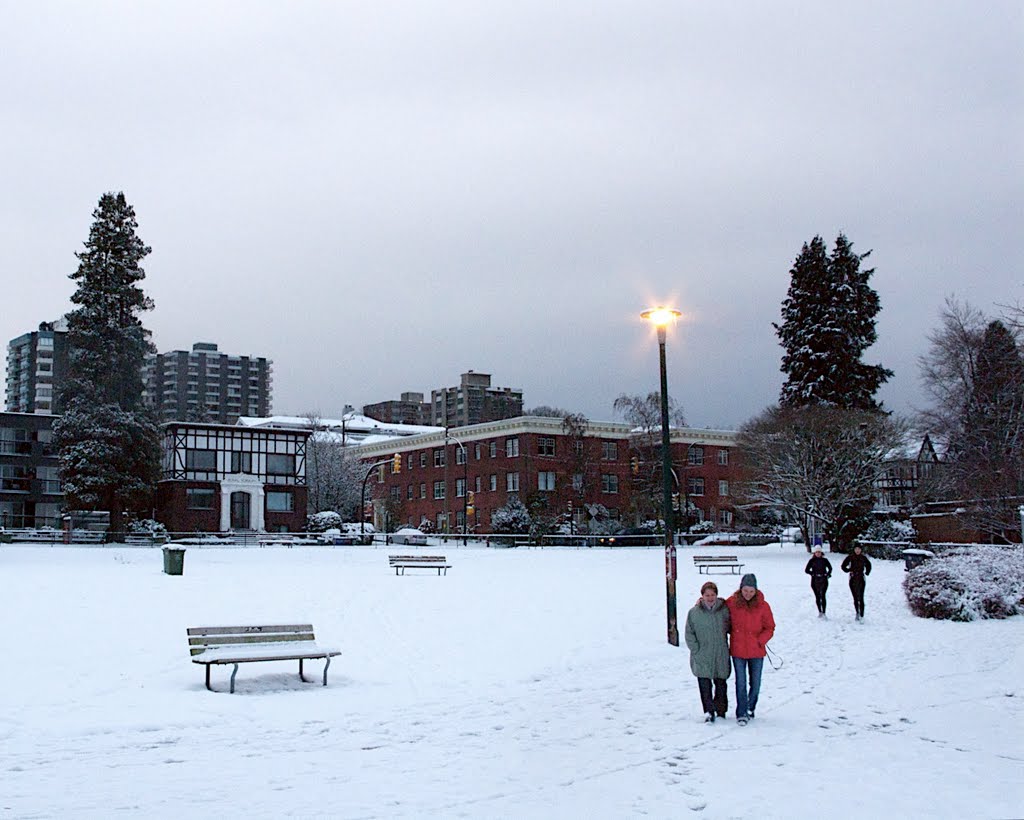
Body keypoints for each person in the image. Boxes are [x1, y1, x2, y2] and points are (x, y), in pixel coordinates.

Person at [726, 573, 775, 726]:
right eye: (745, 590)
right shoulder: (732, 603)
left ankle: (750, 707)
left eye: (751, 591)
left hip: (756, 650)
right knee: (740, 682)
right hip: (738, 649)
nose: (748, 594)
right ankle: (741, 712)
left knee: (756, 682)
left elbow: (770, 627)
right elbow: (718, 610)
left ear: (756, 591)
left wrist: (760, 641)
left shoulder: (763, 606)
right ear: (741, 589)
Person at [684, 581, 731, 723]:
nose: (710, 598)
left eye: (712, 595)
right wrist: (695, 649)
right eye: (707, 595)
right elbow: (689, 633)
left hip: (720, 653)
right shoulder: (694, 612)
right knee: (704, 684)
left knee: (721, 683)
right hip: (702, 653)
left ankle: (721, 710)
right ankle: (709, 711)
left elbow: (732, 627)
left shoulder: (724, 610)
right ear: (702, 596)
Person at [841, 544, 872, 620]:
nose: (857, 550)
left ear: (861, 550)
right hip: (853, 578)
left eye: (859, 549)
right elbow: (843, 566)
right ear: (854, 550)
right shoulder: (850, 557)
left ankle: (862, 615)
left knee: (861, 597)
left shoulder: (863, 557)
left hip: (861, 578)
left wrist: (867, 572)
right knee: (855, 597)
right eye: (856, 549)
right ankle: (857, 613)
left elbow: (869, 565)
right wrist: (848, 570)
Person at [804, 544, 833, 617]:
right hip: (815, 580)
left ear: (821, 553)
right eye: (816, 552)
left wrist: (828, 574)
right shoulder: (812, 560)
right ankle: (819, 611)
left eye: (819, 552)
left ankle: (824, 612)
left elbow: (830, 568)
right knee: (817, 596)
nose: (818, 553)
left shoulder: (825, 560)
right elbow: (806, 570)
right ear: (814, 553)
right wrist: (812, 574)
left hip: (823, 579)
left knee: (823, 596)